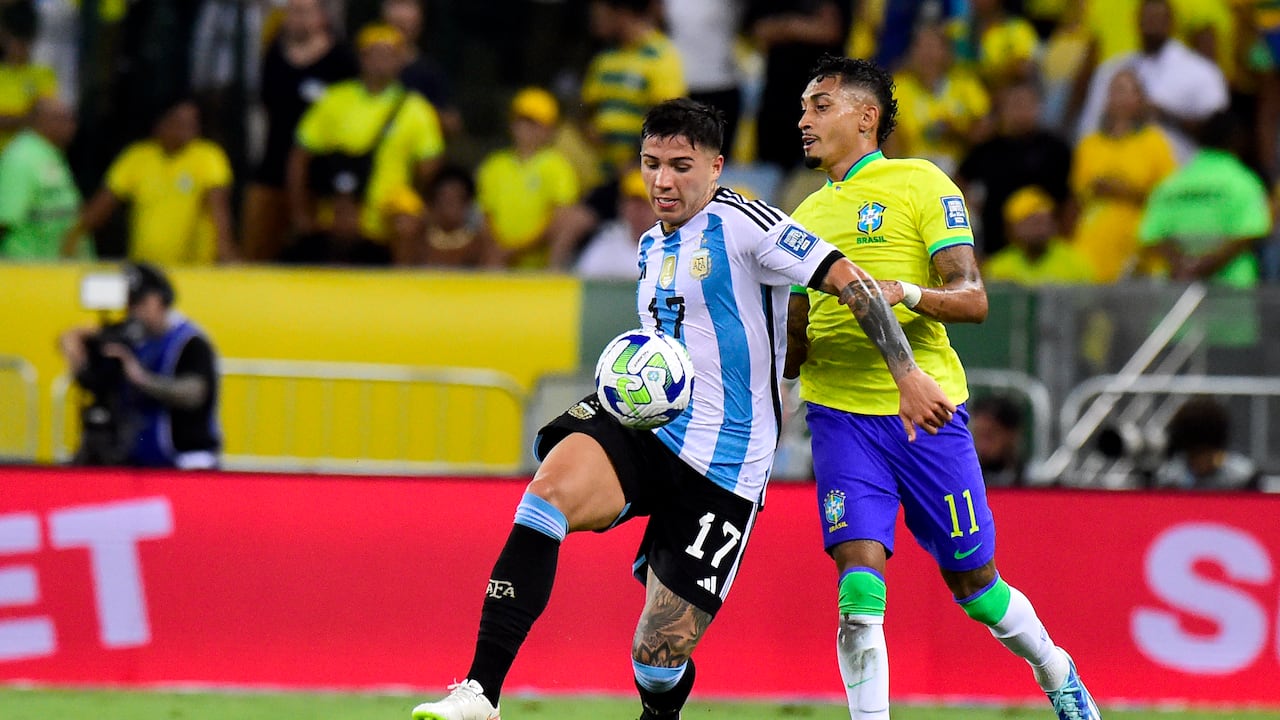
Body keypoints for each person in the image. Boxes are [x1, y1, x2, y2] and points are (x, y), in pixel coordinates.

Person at [409, 97, 954, 720]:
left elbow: (849, 280)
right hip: (649, 426)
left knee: (657, 654)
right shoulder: (649, 246)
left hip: (727, 463)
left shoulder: (749, 224)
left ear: (717, 166)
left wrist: (906, 373)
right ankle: (480, 692)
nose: (662, 181)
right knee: (546, 496)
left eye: (680, 166)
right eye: (650, 164)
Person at [786, 55, 1102, 720]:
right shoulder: (805, 213)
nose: (803, 119)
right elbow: (796, 325)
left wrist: (906, 292)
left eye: (819, 106)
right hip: (841, 416)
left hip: (926, 414)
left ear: (866, 118)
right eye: (803, 107)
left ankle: (1056, 671)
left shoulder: (921, 183)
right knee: (859, 590)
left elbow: (973, 297)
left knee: (976, 587)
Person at [286, 22, 444, 265]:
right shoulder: (334, 100)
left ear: (400, 60)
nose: (381, 61)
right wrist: (300, 214)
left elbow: (430, 171)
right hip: (335, 216)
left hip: (387, 223)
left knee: (407, 223)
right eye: (374, 53)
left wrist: (413, 210)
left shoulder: (417, 109)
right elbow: (300, 158)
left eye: (389, 54)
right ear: (361, 58)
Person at [58, 262, 221, 469]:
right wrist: (78, 355)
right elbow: (86, 364)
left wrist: (140, 378)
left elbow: (195, 394)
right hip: (139, 462)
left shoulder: (190, 342)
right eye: (129, 303)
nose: (133, 311)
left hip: (187, 460)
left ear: (161, 300)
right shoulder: (129, 338)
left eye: (140, 302)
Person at [242, 0, 356, 262]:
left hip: (320, 176)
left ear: (321, 18)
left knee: (314, 250)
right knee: (258, 244)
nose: (298, 19)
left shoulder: (340, 59)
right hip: (273, 164)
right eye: (293, 12)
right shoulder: (273, 53)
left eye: (306, 12)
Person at [63, 99, 238, 265]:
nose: (187, 128)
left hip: (194, 268)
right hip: (146, 268)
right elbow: (104, 203)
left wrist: (225, 251)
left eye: (192, 123)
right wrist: (75, 235)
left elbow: (218, 208)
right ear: (159, 124)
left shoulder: (208, 156)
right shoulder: (137, 157)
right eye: (179, 122)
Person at [1076, 0, 1228, 162]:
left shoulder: (1201, 72)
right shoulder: (1112, 70)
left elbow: (1220, 133)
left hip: (1184, 172)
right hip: (1119, 172)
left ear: (1172, 22)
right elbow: (1089, 129)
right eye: (1147, 18)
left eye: (1158, 18)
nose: (1152, 24)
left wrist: (1164, 115)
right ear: (1135, 21)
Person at [1070, 69, 1176, 282]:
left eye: (1125, 91)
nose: (1118, 98)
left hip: (1140, 241)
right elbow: (1080, 195)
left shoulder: (1155, 142)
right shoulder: (1089, 145)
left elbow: (1167, 196)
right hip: (1095, 243)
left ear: (1140, 99)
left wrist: (1122, 190)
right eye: (1114, 91)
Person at [957, 79, 1073, 258]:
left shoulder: (1056, 149)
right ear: (1003, 109)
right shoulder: (986, 149)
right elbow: (958, 182)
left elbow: (1069, 200)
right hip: (995, 247)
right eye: (1015, 104)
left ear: (1038, 107)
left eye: (1027, 104)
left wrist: (1065, 237)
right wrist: (970, 210)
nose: (1021, 111)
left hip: (1046, 248)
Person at [475, 87, 579, 269]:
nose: (526, 128)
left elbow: (560, 218)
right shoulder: (494, 165)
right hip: (498, 266)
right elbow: (484, 215)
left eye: (534, 123)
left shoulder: (558, 166)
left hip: (540, 268)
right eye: (521, 121)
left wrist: (516, 250)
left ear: (549, 129)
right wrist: (498, 251)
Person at [581, 0, 686, 176]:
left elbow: (668, 118)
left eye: (602, 14)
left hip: (639, 174)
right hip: (601, 170)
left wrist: (636, 160)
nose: (595, 20)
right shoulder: (605, 58)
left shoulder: (661, 55)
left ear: (622, 14)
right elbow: (587, 109)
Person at [0, 97, 87, 260]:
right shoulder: (21, 157)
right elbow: (4, 221)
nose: (72, 126)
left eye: (72, 118)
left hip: (54, 269)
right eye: (63, 119)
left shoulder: (50, 152)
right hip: (26, 270)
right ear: (40, 120)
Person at [380, 0, 463, 138]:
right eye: (394, 4)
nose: (400, 15)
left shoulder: (431, 72)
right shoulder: (356, 65)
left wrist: (418, 113)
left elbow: (453, 125)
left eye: (408, 6)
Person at [984, 186, 1096, 286]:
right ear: (1011, 229)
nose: (1038, 228)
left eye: (1043, 221)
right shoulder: (997, 268)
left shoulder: (1076, 264)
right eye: (1030, 222)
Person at [1152, 397, 1261, 491]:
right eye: (1194, 455)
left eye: (1205, 453)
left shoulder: (1242, 477)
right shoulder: (1169, 478)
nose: (1201, 464)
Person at [572, 168, 656, 279]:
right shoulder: (609, 240)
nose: (638, 211)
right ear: (622, 206)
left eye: (645, 205)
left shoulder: (673, 245)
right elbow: (585, 281)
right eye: (633, 203)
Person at [0, 0, 58, 152]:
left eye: (25, 41)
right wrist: (27, 117)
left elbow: (46, 119)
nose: (20, 48)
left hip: (29, 158)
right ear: (4, 37)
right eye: (16, 40)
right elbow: (35, 117)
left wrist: (9, 119)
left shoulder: (44, 74)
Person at [968, 394, 1027, 488]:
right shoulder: (966, 482)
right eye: (978, 435)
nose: (982, 446)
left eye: (989, 436)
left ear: (1010, 434)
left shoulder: (1034, 482)